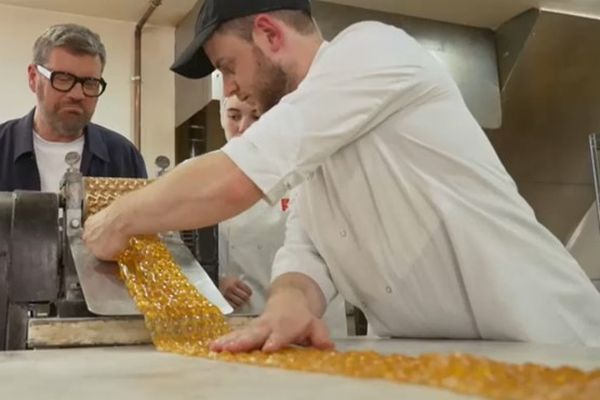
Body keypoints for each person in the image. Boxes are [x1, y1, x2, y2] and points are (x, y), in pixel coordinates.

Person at [83, 0, 600, 352]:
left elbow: (235, 180)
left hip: (552, 344)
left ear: (268, 33)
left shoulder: (371, 51)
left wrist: (118, 219)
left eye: (229, 64)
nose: (232, 88)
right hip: (436, 361)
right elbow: (308, 255)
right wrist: (287, 303)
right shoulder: (316, 150)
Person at [218, 94, 347, 336]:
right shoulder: (205, 180)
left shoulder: (309, 171)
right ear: (221, 116)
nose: (244, 128)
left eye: (257, 117)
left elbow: (322, 251)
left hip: (312, 321)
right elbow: (185, 256)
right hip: (239, 321)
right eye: (234, 116)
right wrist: (215, 283)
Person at [0, 23, 147, 192]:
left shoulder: (123, 156)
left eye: (90, 83)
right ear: (33, 78)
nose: (77, 94)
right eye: (63, 78)